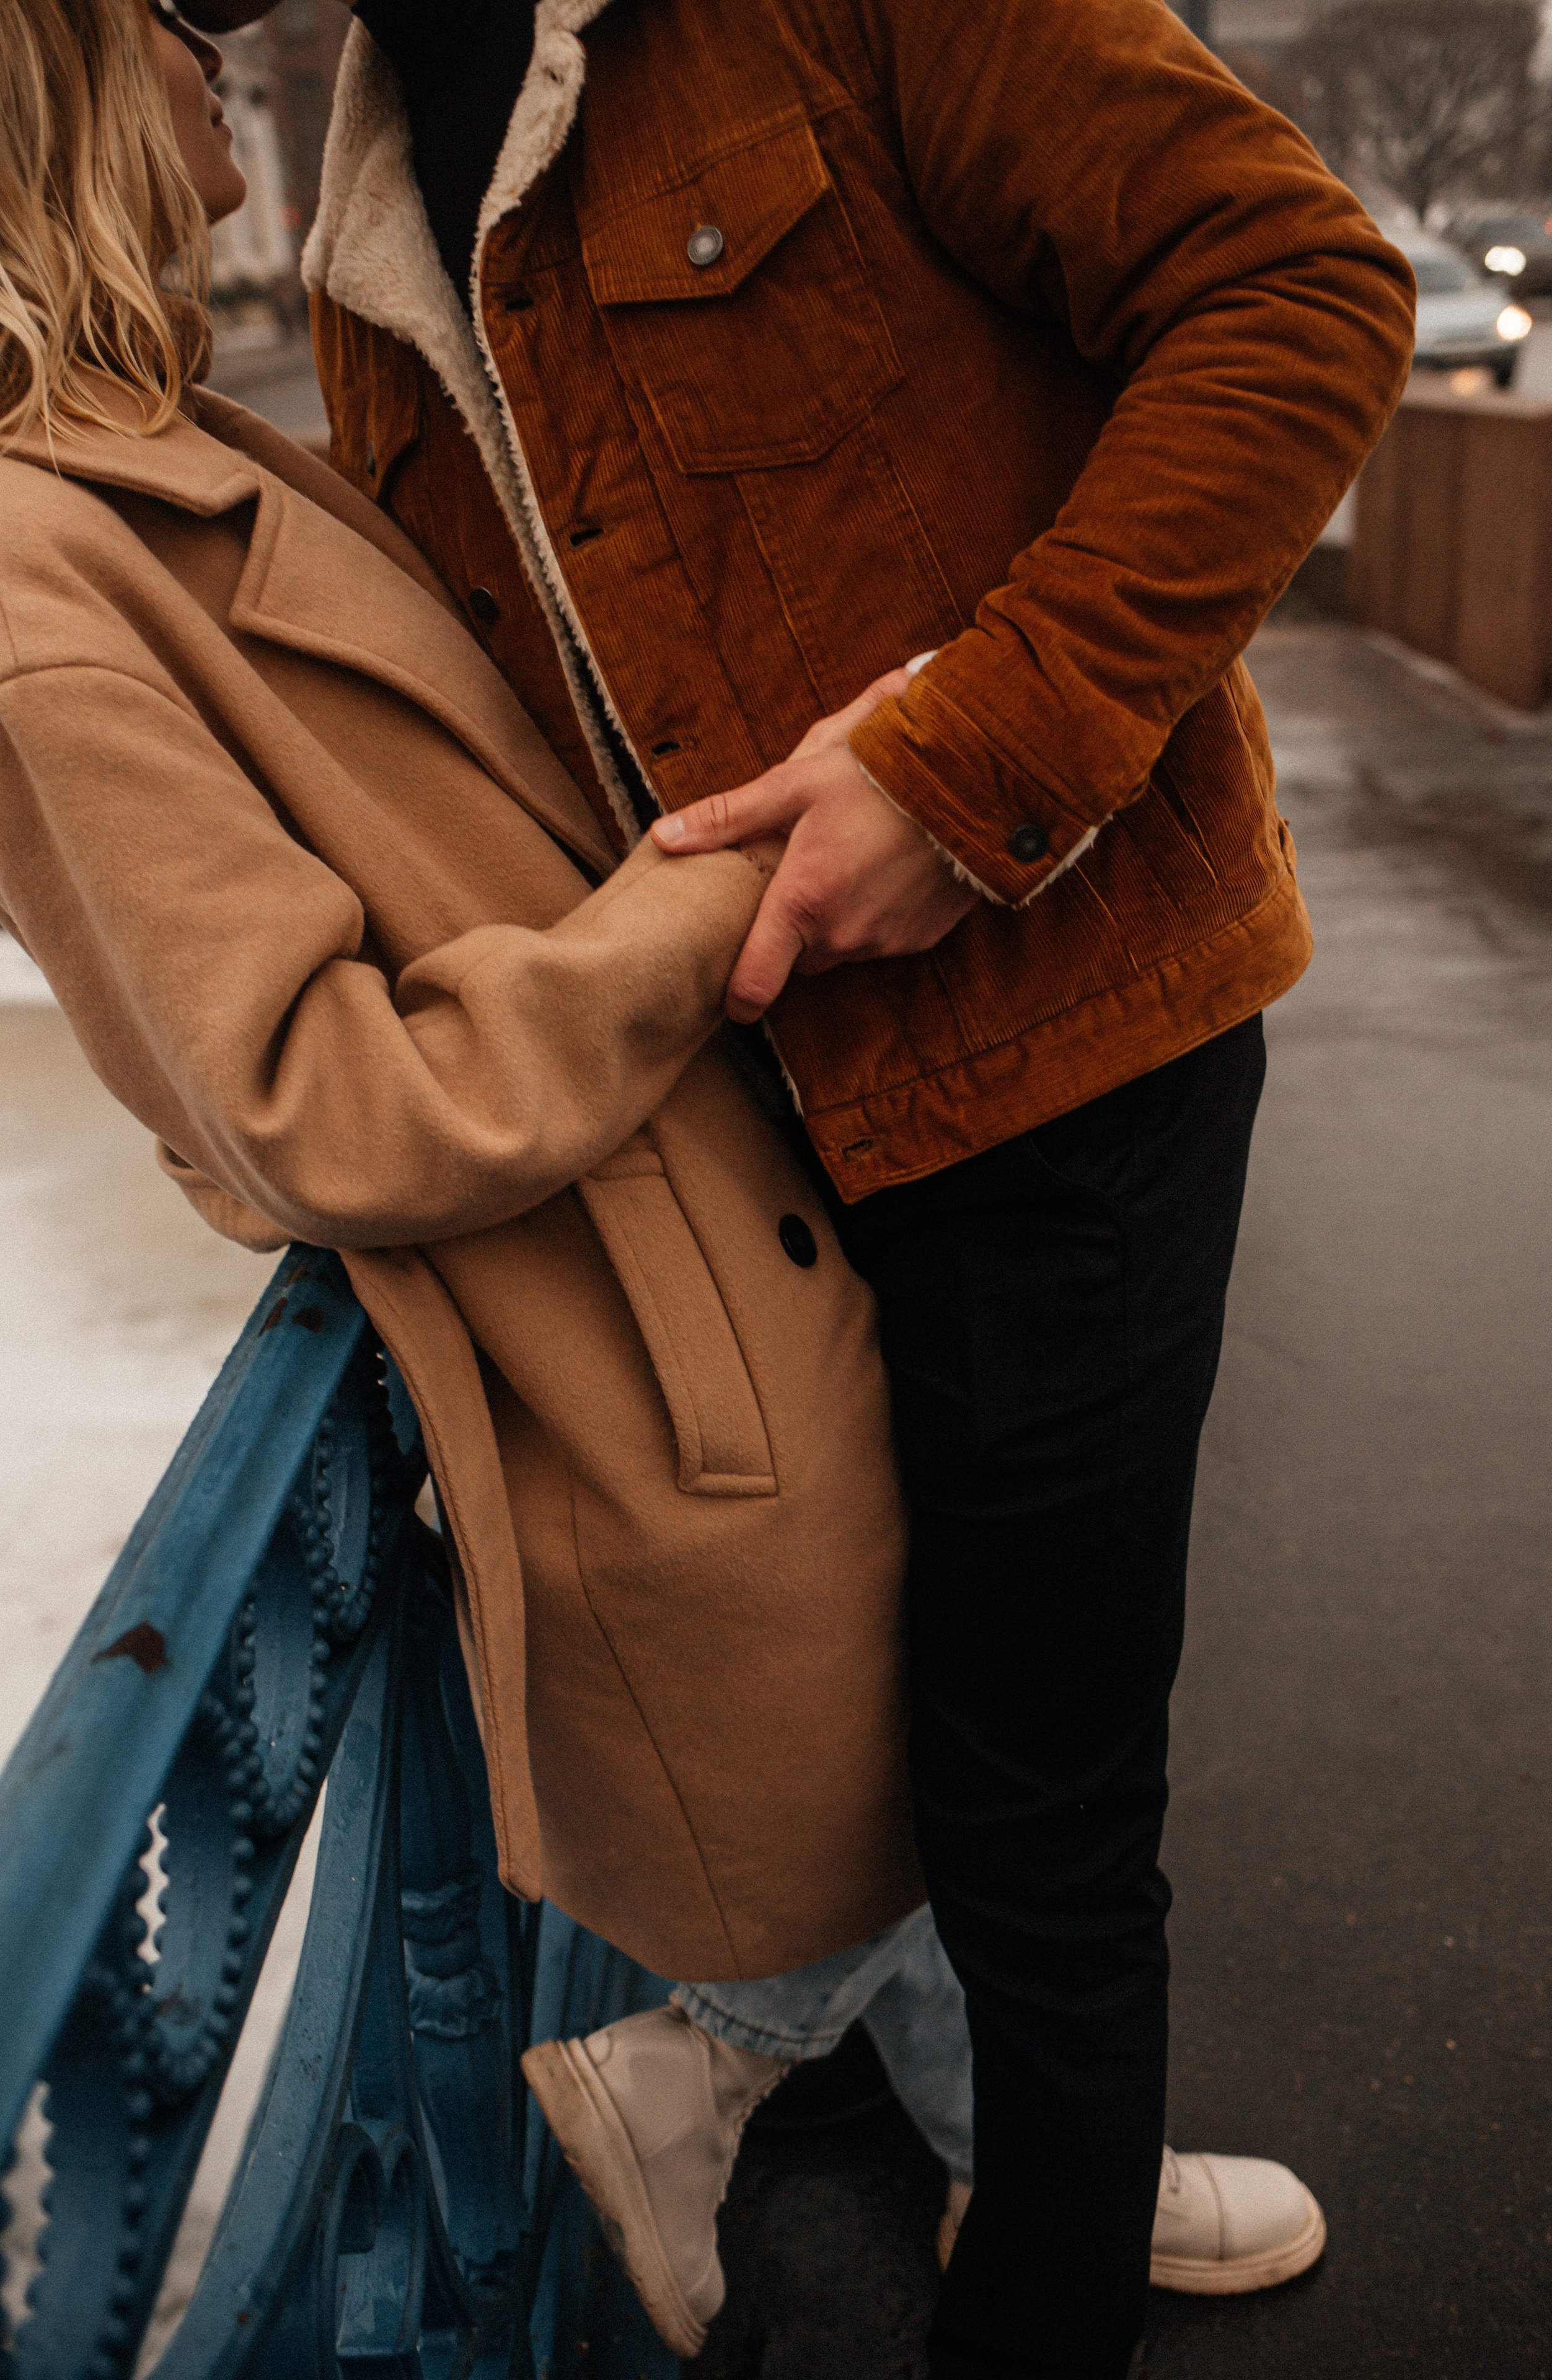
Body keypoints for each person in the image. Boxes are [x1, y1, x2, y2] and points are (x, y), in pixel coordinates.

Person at [174, 2, 1420, 2371]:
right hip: (734, 1121)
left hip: (1072, 1048)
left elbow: (1305, 290)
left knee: (1043, 1820)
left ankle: (1032, 2263)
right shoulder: (359, 203)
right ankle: (813, 2088)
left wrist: (972, 768)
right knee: (848, 1701)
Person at [0, 0, 934, 2109]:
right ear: (44, 78)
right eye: (169, 14)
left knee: (957, 1769)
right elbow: (312, 1101)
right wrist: (719, 896)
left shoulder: (152, 446)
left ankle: (981, 2156)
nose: (217, 37)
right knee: (909, 1795)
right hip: (641, 1316)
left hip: (696, 1235)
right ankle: (845, 2140)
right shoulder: (28, 571)